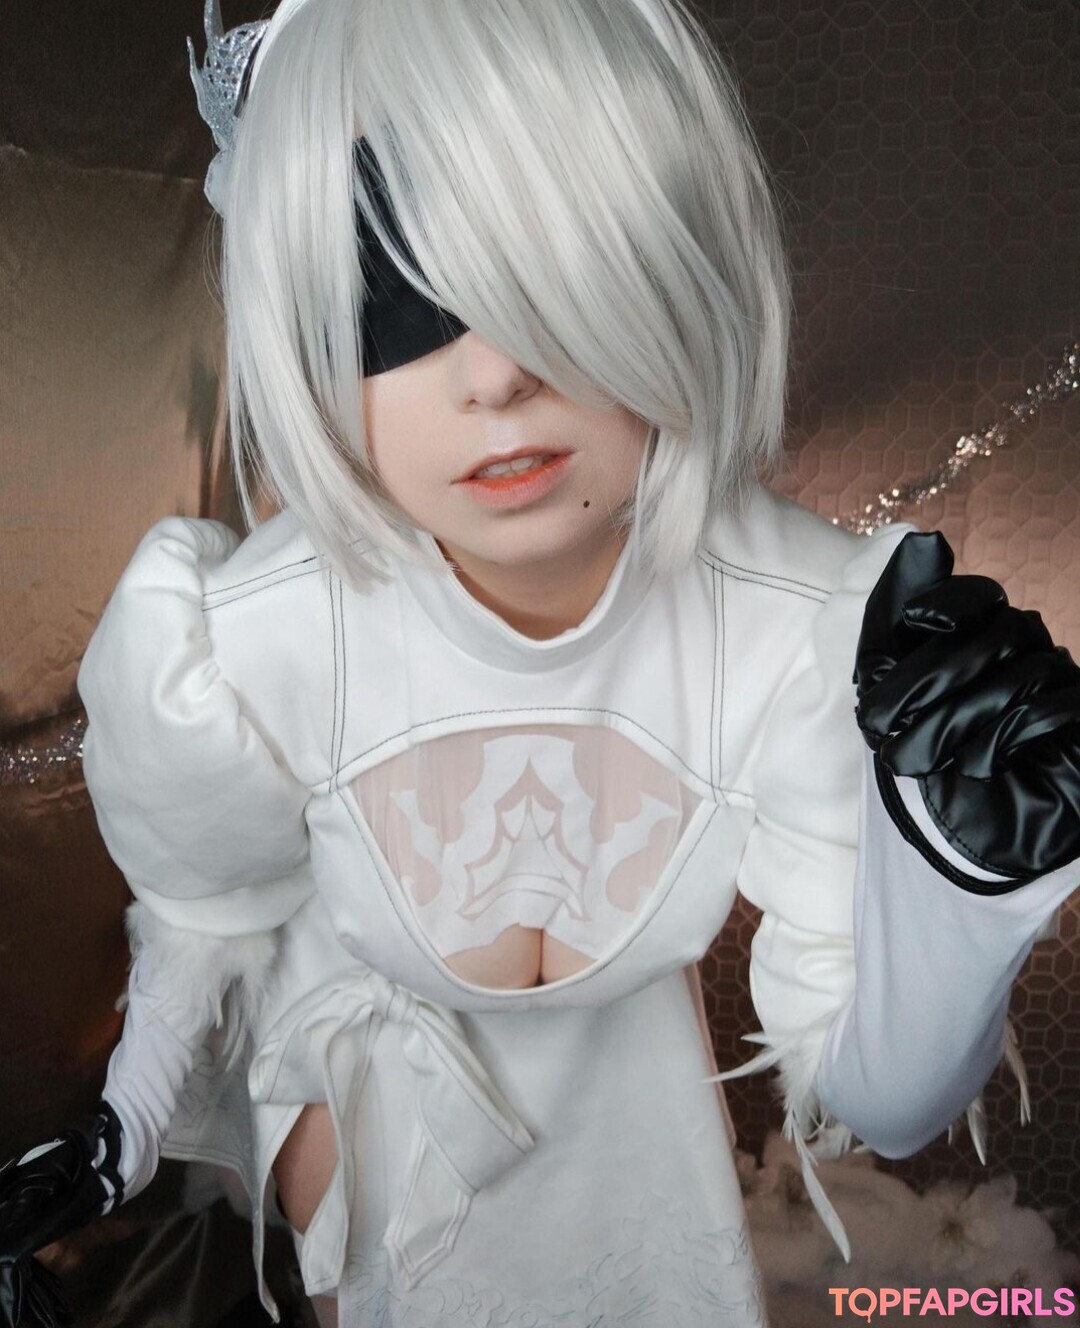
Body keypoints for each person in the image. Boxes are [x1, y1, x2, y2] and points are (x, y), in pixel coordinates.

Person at [2, 1, 1078, 1324]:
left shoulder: (792, 623)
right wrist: (121, 1129)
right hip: (374, 1147)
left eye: (547, 272)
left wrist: (962, 887)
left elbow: (882, 1097)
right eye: (390, 294)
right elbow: (207, 913)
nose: (497, 375)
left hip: (632, 1147)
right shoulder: (255, 636)